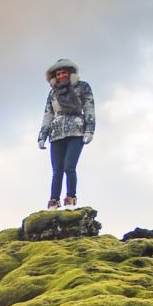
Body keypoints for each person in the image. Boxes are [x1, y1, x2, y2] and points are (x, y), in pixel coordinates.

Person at [36, 58, 95, 209]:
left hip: (76, 130)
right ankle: (53, 201)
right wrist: (42, 136)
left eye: (64, 73)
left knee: (69, 166)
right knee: (57, 170)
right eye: (59, 73)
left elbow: (89, 108)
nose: (61, 76)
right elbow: (48, 114)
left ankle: (70, 198)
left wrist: (90, 129)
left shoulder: (82, 87)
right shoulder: (53, 93)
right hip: (56, 133)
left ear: (70, 73)